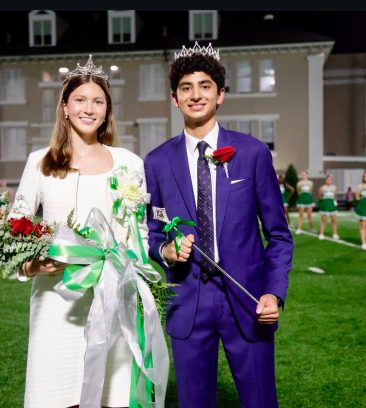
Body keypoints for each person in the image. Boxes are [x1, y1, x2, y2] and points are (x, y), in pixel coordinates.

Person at [144, 42, 293, 408]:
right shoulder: (156, 162)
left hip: (248, 300)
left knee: (260, 401)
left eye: (205, 85)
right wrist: (166, 250)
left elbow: (278, 234)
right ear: (175, 99)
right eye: (186, 88)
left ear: (221, 94)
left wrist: (274, 292)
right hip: (188, 304)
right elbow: (154, 231)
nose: (196, 94)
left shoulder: (253, 152)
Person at [9, 55, 147, 408]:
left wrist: (135, 272)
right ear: (65, 108)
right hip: (56, 299)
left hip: (112, 298)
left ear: (107, 110)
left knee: (110, 395)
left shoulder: (129, 163)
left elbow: (140, 232)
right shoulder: (39, 162)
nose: (89, 108)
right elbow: (16, 233)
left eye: (98, 101)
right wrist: (33, 265)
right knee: (55, 394)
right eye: (80, 100)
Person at [317, 174, 339, 240]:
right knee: (323, 220)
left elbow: (335, 196)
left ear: (331, 180)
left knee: (334, 220)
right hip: (325, 205)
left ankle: (335, 234)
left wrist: (334, 202)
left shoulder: (334, 187)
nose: (329, 180)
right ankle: (321, 234)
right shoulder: (322, 187)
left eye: (330, 179)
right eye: (327, 179)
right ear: (325, 180)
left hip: (332, 205)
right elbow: (320, 196)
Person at [295, 169, 315, 234]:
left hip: (309, 200)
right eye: (302, 174)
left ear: (307, 175)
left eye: (305, 174)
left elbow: (311, 191)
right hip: (301, 200)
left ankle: (311, 229)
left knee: (310, 215)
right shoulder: (299, 183)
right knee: (301, 215)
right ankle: (299, 229)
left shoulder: (311, 182)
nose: (304, 175)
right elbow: (298, 192)